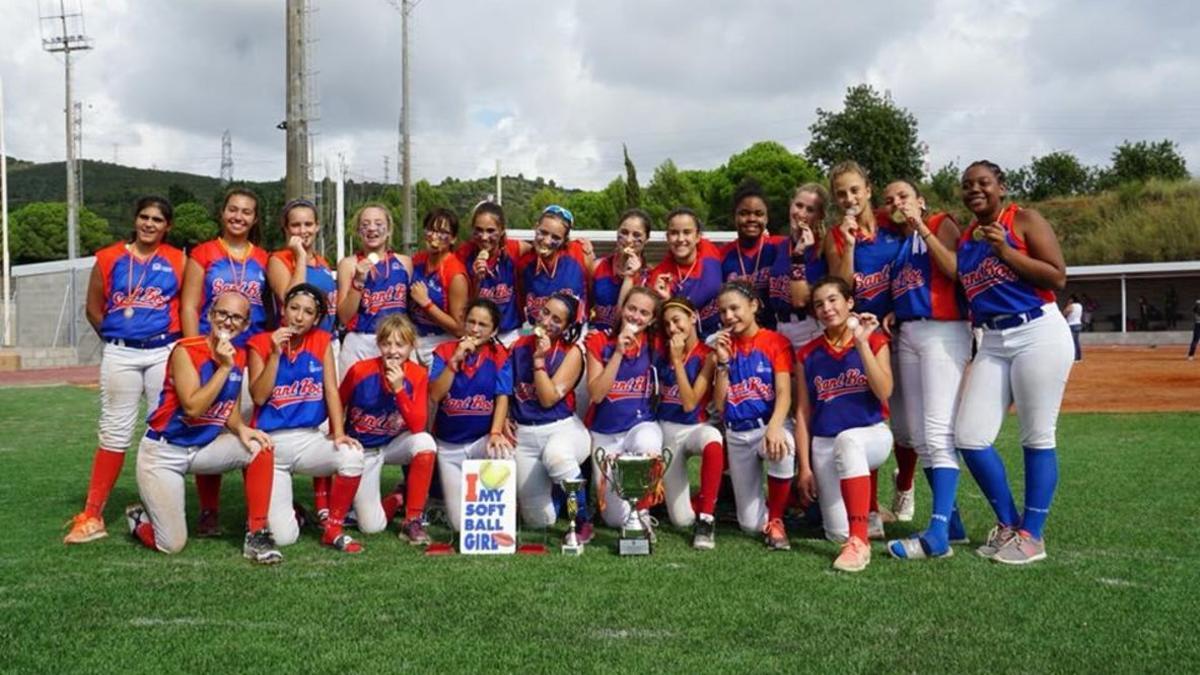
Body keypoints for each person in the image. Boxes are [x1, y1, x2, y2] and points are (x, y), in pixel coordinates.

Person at [954, 160, 1074, 565]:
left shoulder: (1022, 219)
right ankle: (1008, 524)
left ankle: (1032, 536)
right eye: (967, 184)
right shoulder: (967, 238)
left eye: (984, 182)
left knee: (1037, 435)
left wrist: (1005, 249)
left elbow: (1057, 278)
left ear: (1001, 186)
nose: (975, 189)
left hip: (1037, 330)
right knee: (969, 436)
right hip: (993, 338)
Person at [123, 291, 280, 564]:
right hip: (164, 452)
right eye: (222, 314)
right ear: (210, 315)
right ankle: (139, 521)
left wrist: (241, 429)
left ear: (245, 325)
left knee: (259, 446)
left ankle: (257, 535)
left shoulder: (239, 354)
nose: (228, 322)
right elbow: (193, 407)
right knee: (171, 545)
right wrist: (224, 367)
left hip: (201, 448)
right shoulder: (187, 349)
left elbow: (229, 403)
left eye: (237, 317)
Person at [65, 196, 187, 544]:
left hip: (164, 349)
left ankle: (156, 509)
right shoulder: (108, 257)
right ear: (135, 220)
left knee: (160, 430)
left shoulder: (178, 259)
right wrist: (121, 336)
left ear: (168, 226)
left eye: (158, 220)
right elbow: (93, 309)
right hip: (121, 353)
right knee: (114, 432)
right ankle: (92, 514)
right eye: (144, 217)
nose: (150, 224)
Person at [881, 179, 971, 560]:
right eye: (889, 201)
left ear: (920, 200)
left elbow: (955, 270)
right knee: (918, 436)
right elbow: (910, 287)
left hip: (942, 329)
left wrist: (921, 225)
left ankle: (937, 535)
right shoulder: (901, 247)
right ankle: (952, 522)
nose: (896, 203)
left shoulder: (938, 222)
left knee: (936, 432)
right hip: (910, 331)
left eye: (903, 196)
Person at [248, 284, 366, 553]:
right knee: (283, 537)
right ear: (284, 309)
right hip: (272, 444)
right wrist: (275, 355)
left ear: (316, 318)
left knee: (351, 454)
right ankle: (297, 513)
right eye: (294, 308)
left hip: (309, 437)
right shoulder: (260, 342)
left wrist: (338, 432)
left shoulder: (321, 341)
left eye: (308, 312)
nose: (299, 317)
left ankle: (333, 527)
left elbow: (331, 391)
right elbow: (258, 397)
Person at [180, 188, 270, 536]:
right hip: (212, 351)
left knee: (250, 426)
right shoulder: (204, 253)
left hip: (251, 355)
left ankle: (256, 510)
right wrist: (195, 350)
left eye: (247, 212)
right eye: (233, 210)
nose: (239, 217)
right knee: (211, 427)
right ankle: (208, 510)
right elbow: (189, 306)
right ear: (223, 213)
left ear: (255, 218)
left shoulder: (263, 257)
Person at [824, 161, 907, 534]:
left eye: (854, 190)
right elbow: (842, 289)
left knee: (911, 419)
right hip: (861, 333)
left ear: (868, 189)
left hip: (899, 327)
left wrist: (896, 310)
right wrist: (850, 245)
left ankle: (905, 486)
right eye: (841, 193)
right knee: (866, 414)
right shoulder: (836, 235)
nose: (849, 199)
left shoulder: (895, 228)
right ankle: (870, 509)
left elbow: (911, 276)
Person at [794, 277, 893, 572]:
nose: (826, 308)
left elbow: (884, 391)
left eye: (833, 300)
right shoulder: (808, 353)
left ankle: (859, 542)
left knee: (849, 441)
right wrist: (805, 467)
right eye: (819, 304)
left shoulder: (874, 340)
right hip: (824, 442)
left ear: (850, 302)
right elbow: (802, 412)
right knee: (836, 531)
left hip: (870, 434)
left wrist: (861, 344)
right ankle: (866, 517)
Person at [710, 281, 795, 550]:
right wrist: (722, 362)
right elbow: (720, 405)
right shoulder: (722, 345)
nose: (729, 316)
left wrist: (775, 426)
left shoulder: (775, 342)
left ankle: (778, 518)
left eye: (734, 308)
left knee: (785, 445)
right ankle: (777, 507)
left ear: (754, 305)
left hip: (765, 426)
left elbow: (784, 393)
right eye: (723, 311)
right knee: (749, 525)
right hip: (737, 431)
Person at [340, 314, 439, 543]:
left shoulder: (418, 374)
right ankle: (397, 498)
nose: (393, 351)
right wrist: (338, 433)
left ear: (411, 345)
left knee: (425, 442)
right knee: (371, 527)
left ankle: (412, 519)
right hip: (364, 448)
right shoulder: (360, 370)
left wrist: (399, 390)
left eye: (400, 344)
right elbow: (338, 402)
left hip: (395, 443)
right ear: (378, 344)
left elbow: (417, 426)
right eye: (386, 343)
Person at [509, 291, 593, 543]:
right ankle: (559, 492)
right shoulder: (517, 344)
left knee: (556, 457)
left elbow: (546, 399)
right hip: (524, 432)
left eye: (557, 319)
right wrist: (502, 418)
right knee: (539, 521)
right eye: (545, 312)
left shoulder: (572, 352)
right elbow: (505, 389)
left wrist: (539, 360)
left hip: (561, 428)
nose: (546, 322)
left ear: (568, 327)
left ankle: (583, 521)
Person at [584, 287, 663, 539]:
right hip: (606, 432)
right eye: (631, 308)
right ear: (621, 308)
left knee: (648, 442)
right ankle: (629, 518)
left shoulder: (654, 342)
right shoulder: (599, 341)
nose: (636, 316)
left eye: (644, 313)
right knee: (613, 519)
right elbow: (596, 394)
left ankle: (641, 516)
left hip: (640, 425)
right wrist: (618, 352)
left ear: (652, 320)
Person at [428, 299, 513, 532]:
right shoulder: (444, 351)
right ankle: (449, 509)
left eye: (483, 325)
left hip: (479, 440)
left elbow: (502, 396)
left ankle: (500, 518)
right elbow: (435, 395)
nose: (475, 329)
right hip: (449, 445)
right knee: (460, 527)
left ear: (494, 330)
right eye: (471, 322)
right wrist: (455, 360)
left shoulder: (499, 355)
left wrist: (496, 431)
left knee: (503, 452)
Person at [655, 296, 725, 550]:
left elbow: (690, 403)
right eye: (667, 324)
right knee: (681, 520)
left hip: (695, 426)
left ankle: (707, 516)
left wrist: (677, 361)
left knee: (713, 440)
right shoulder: (661, 352)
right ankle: (693, 503)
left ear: (693, 318)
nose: (672, 328)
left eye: (677, 320)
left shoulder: (707, 355)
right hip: (667, 430)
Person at [336, 203, 414, 376]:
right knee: (354, 399)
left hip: (397, 341)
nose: (372, 229)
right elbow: (344, 316)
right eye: (365, 225)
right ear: (358, 231)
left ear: (388, 230)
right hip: (361, 340)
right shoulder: (348, 264)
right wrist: (358, 282)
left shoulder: (405, 263)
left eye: (378, 224)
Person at [456, 202, 525, 346]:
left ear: (502, 230)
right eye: (478, 230)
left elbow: (545, 250)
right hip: (477, 334)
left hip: (510, 333)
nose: (484, 237)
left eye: (491, 230)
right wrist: (476, 280)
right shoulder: (463, 254)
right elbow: (465, 304)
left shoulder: (515, 249)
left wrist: (582, 243)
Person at [648, 208, 724, 338]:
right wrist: (665, 301)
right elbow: (663, 325)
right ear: (667, 237)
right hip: (687, 344)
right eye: (674, 233)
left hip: (722, 335)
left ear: (698, 236)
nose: (680, 238)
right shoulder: (660, 276)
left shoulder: (710, 250)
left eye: (687, 232)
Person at [267, 199, 338, 336]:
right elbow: (292, 298)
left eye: (308, 224)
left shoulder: (322, 262)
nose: (302, 230)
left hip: (325, 340)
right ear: (286, 228)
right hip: (296, 340)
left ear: (317, 226)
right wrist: (300, 256)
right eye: (295, 225)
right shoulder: (279, 260)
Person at [721, 180, 785, 330]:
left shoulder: (780, 247)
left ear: (767, 218)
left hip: (777, 334)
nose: (751, 219)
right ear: (733, 217)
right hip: (739, 334)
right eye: (744, 213)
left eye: (758, 214)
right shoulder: (721, 256)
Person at [772, 183, 828, 349]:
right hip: (780, 327)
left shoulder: (822, 247)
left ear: (820, 216)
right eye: (798, 205)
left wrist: (799, 255)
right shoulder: (782, 246)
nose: (801, 213)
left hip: (809, 327)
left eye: (810, 210)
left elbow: (801, 300)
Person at [410, 207, 468, 364]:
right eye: (431, 230)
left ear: (454, 239)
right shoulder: (418, 260)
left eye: (443, 232)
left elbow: (459, 329)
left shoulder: (455, 273)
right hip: (413, 339)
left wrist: (426, 304)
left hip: (441, 343)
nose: (435, 237)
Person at [520, 205, 592, 331]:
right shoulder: (523, 262)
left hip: (573, 335)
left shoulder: (580, 252)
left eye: (556, 237)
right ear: (535, 227)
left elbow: (592, 292)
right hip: (538, 332)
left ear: (565, 240)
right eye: (543, 232)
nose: (547, 241)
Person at [590, 209, 652, 334]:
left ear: (646, 239)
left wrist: (631, 276)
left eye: (636, 235)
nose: (629, 240)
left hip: (629, 339)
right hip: (597, 339)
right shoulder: (597, 266)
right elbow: (587, 307)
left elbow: (622, 317)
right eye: (624, 232)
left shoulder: (650, 276)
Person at [1063, 294, 1083, 361]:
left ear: (1072, 299)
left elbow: (1065, 313)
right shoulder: (1080, 306)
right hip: (1078, 324)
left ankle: (1075, 357)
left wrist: (1067, 305)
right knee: (1076, 341)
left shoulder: (1071, 306)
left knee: (1072, 342)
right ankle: (1079, 357)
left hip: (1072, 325)